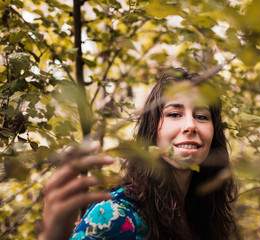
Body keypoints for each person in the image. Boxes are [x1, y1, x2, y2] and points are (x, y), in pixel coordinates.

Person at [39, 68, 237, 240]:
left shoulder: (203, 215)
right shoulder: (114, 215)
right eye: (174, 114)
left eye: (201, 116)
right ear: (152, 132)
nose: (190, 126)